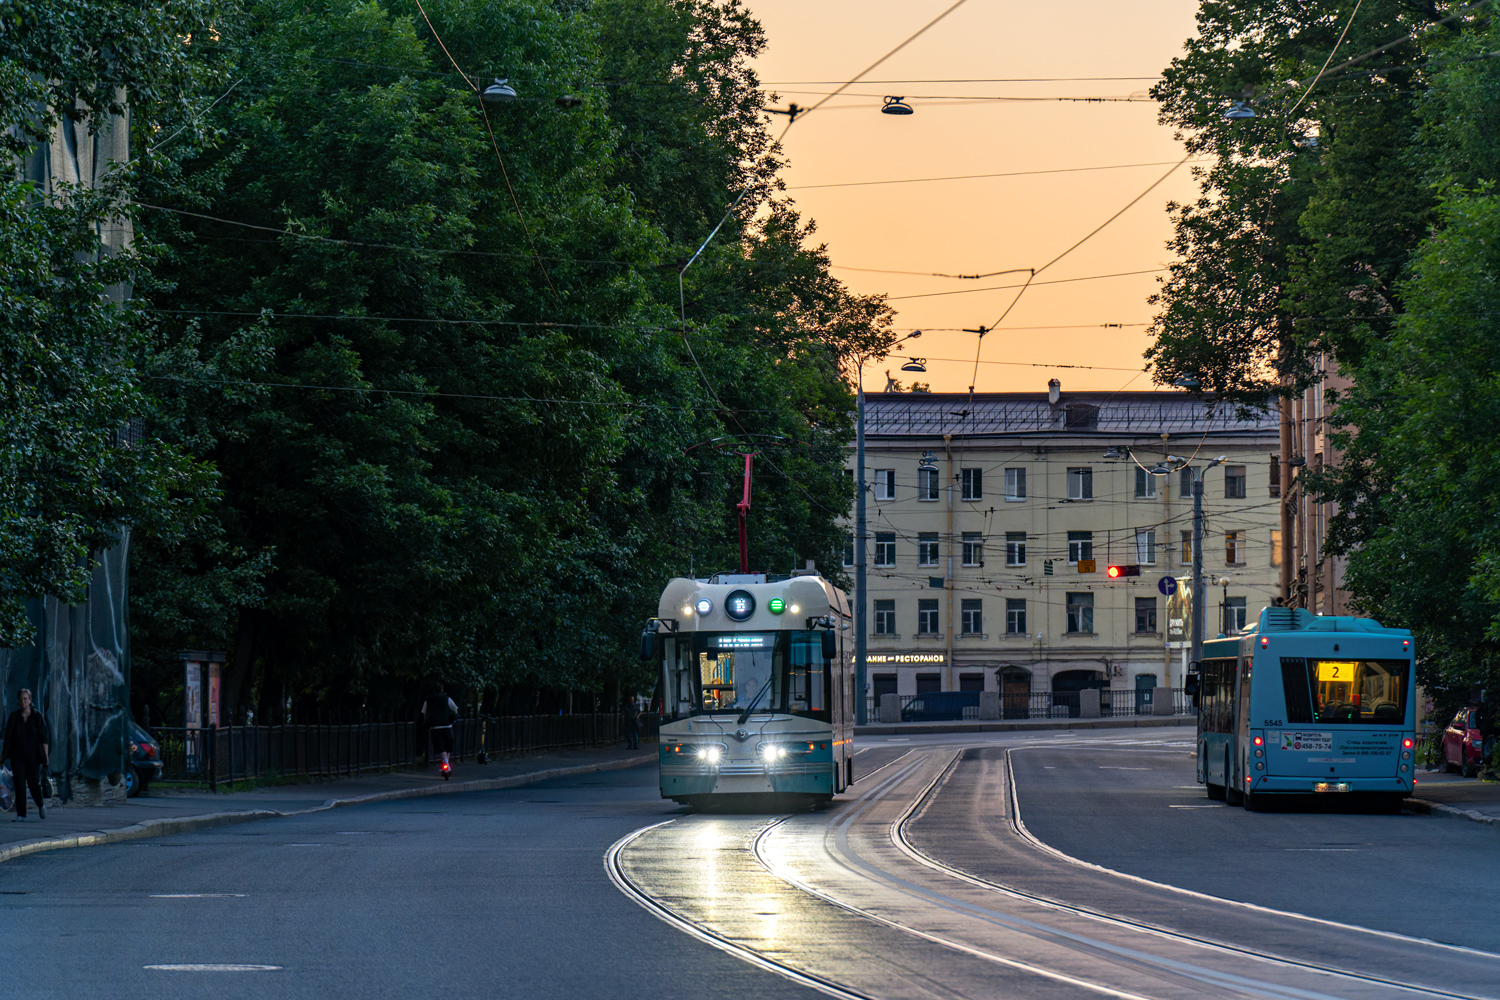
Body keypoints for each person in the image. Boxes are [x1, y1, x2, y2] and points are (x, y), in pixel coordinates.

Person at [2, 689, 49, 821]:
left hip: (33, 756)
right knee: (19, 784)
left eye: (25, 699)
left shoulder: (37, 717)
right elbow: (8, 738)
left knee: (34, 782)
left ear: (30, 700)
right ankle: (21, 814)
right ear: (18, 701)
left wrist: (46, 757)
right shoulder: (14, 717)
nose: (23, 701)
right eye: (21, 699)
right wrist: (3, 756)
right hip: (18, 756)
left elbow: (44, 738)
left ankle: (40, 803)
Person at [422, 686, 460, 775]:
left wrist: (427, 722)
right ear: (442, 690)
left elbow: (424, 713)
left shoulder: (428, 700)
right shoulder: (447, 699)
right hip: (447, 726)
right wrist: (452, 718)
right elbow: (455, 709)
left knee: (440, 746)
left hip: (435, 727)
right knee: (448, 745)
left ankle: (445, 763)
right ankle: (446, 763)